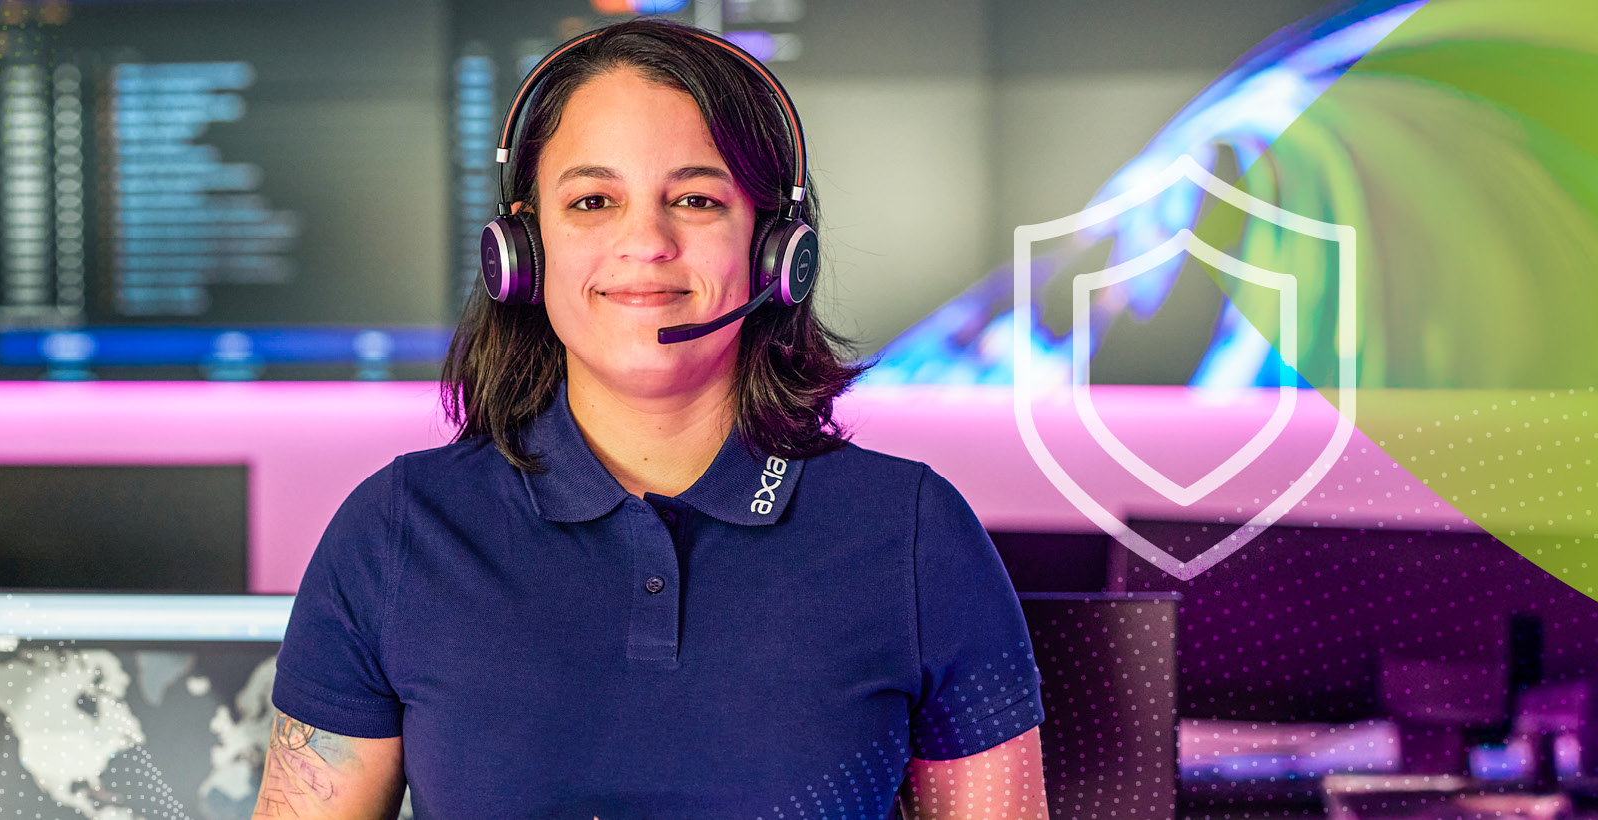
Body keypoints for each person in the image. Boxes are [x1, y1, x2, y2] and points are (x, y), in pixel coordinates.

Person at [255, 17, 1046, 820]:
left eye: (696, 199)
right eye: (593, 200)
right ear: (521, 248)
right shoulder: (396, 532)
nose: (645, 243)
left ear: (775, 247)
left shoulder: (914, 534)